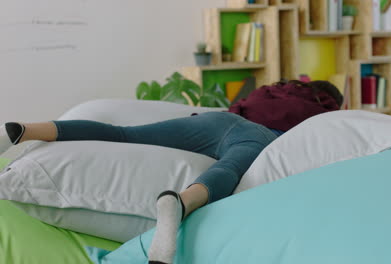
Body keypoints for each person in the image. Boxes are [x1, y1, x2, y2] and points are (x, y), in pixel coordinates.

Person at [0, 80, 342, 264]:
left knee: (125, 136)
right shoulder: (317, 114)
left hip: (214, 120)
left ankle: (21, 129)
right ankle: (181, 202)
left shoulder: (274, 90)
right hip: (254, 137)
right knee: (231, 168)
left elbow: (243, 104)